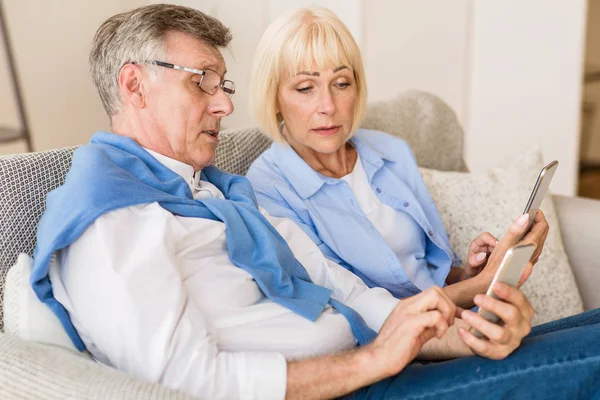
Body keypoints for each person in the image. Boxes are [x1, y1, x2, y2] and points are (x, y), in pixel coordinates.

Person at [30, 4, 600, 400]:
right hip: (351, 387)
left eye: (222, 85)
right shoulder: (110, 218)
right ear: (134, 85)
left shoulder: (221, 194)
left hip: (378, 369)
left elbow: (350, 292)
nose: (225, 108)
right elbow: (184, 381)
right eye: (202, 80)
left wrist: (462, 335)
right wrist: (373, 361)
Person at [245, 7, 548, 310]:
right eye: (305, 88)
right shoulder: (267, 189)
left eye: (341, 83)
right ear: (273, 98)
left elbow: (437, 275)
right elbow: (348, 308)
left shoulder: (392, 152)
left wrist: (470, 274)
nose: (328, 105)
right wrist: (478, 287)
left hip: (461, 318)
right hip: (406, 350)